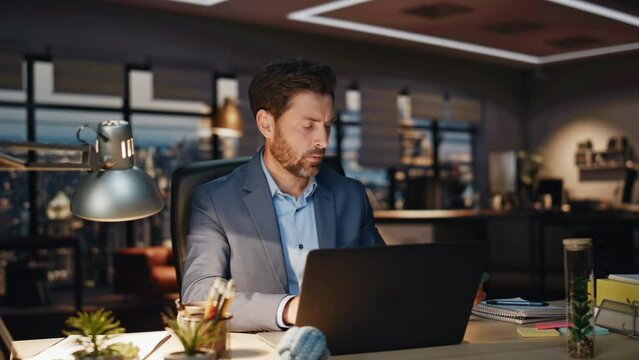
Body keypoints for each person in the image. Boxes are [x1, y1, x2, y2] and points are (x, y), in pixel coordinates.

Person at [181, 58, 385, 332]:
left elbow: (384, 278)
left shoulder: (350, 195)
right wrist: (290, 308)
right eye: (308, 125)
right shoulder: (216, 201)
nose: (323, 141)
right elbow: (198, 293)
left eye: (328, 125)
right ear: (266, 124)